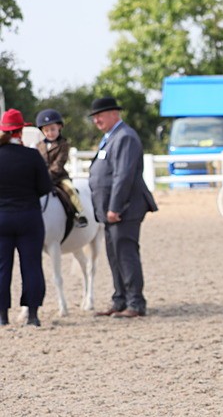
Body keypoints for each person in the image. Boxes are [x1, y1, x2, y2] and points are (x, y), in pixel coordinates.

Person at [88, 96, 158, 318]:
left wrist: (115, 207)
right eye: (94, 117)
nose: (96, 120)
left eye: (100, 115)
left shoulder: (124, 137)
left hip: (124, 209)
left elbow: (123, 175)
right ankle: (120, 299)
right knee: (114, 254)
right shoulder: (111, 137)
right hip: (109, 210)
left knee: (126, 254)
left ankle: (135, 303)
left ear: (114, 114)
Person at [0, 109, 52, 327]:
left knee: (2, 267)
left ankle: (2, 316)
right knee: (31, 265)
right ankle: (32, 315)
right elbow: (45, 187)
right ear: (21, 130)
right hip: (29, 217)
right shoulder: (32, 156)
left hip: (1, 217)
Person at [34, 109, 87, 227]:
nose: (50, 133)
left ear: (59, 127)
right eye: (46, 130)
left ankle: (79, 214)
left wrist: (46, 177)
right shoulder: (39, 145)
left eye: (52, 129)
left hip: (59, 177)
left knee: (70, 190)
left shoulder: (63, 144)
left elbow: (58, 164)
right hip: (42, 176)